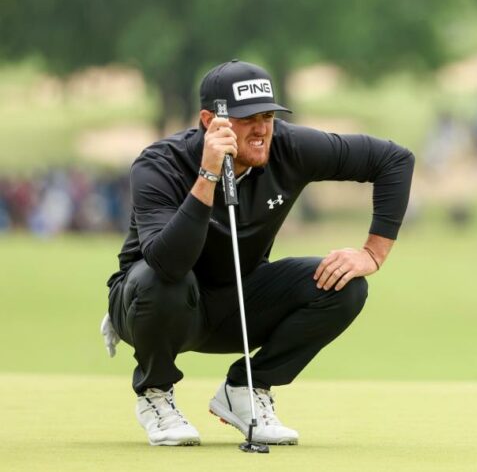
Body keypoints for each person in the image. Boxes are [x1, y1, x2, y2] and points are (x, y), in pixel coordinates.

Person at [101, 59, 414, 447]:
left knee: (345, 286)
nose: (262, 129)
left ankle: (246, 389)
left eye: (267, 116)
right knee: (161, 282)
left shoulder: (288, 147)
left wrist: (373, 253)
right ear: (207, 120)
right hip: (155, 300)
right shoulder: (160, 164)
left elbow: (394, 160)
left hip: (237, 298)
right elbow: (168, 262)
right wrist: (209, 176)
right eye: (247, 118)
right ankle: (156, 393)